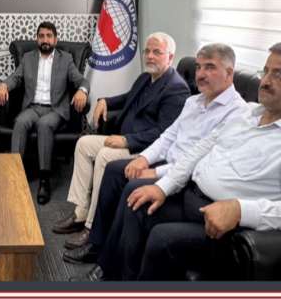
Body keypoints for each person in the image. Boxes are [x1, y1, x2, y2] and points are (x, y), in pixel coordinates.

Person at [99, 43, 281, 280]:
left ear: (229, 73)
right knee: (137, 203)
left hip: (222, 221)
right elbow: (198, 151)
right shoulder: (247, 113)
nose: (265, 81)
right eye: (265, 71)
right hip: (191, 194)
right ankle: (113, 279)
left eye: (278, 74)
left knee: (162, 237)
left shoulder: (234, 109)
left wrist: (241, 210)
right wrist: (163, 187)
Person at [63, 43, 248, 263]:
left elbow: (199, 161)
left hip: (183, 177)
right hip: (165, 161)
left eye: (209, 67)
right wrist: (144, 159)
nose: (200, 74)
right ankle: (96, 242)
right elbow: (168, 136)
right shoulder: (193, 101)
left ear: (229, 73)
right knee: (114, 170)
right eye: (198, 67)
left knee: (131, 185)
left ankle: (108, 261)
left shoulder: (237, 113)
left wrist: (156, 171)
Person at [52, 32, 189, 244]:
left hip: (144, 149)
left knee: (105, 155)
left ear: (170, 57)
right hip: (125, 138)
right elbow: (127, 98)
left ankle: (91, 226)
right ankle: (81, 212)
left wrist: (126, 141)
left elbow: (164, 134)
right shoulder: (146, 77)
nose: (150, 56)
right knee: (83, 144)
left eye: (157, 52)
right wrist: (104, 101)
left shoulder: (176, 89)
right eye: (147, 51)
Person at [0, 21, 89, 204]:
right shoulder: (28, 58)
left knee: (44, 125)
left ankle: (44, 179)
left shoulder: (66, 59)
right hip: (33, 107)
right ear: (37, 39)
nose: (45, 40)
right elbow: (15, 78)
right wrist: (4, 85)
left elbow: (81, 81)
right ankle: (14, 173)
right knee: (20, 122)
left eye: (48, 36)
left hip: (55, 109)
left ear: (55, 39)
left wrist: (82, 91)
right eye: (41, 36)